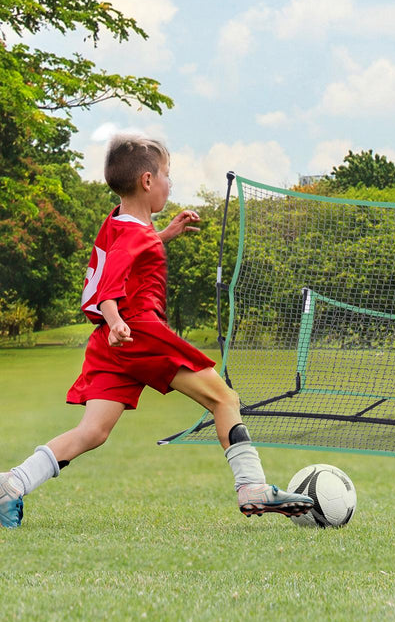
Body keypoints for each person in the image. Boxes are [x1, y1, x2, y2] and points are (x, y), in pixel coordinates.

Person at [0, 134, 312, 529]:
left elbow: (126, 253)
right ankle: (252, 486)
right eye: (166, 174)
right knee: (224, 399)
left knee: (93, 431)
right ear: (147, 181)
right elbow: (108, 288)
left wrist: (164, 235)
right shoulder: (132, 235)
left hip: (111, 344)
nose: (169, 183)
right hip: (138, 332)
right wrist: (117, 320)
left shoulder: (117, 221)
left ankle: (11, 484)